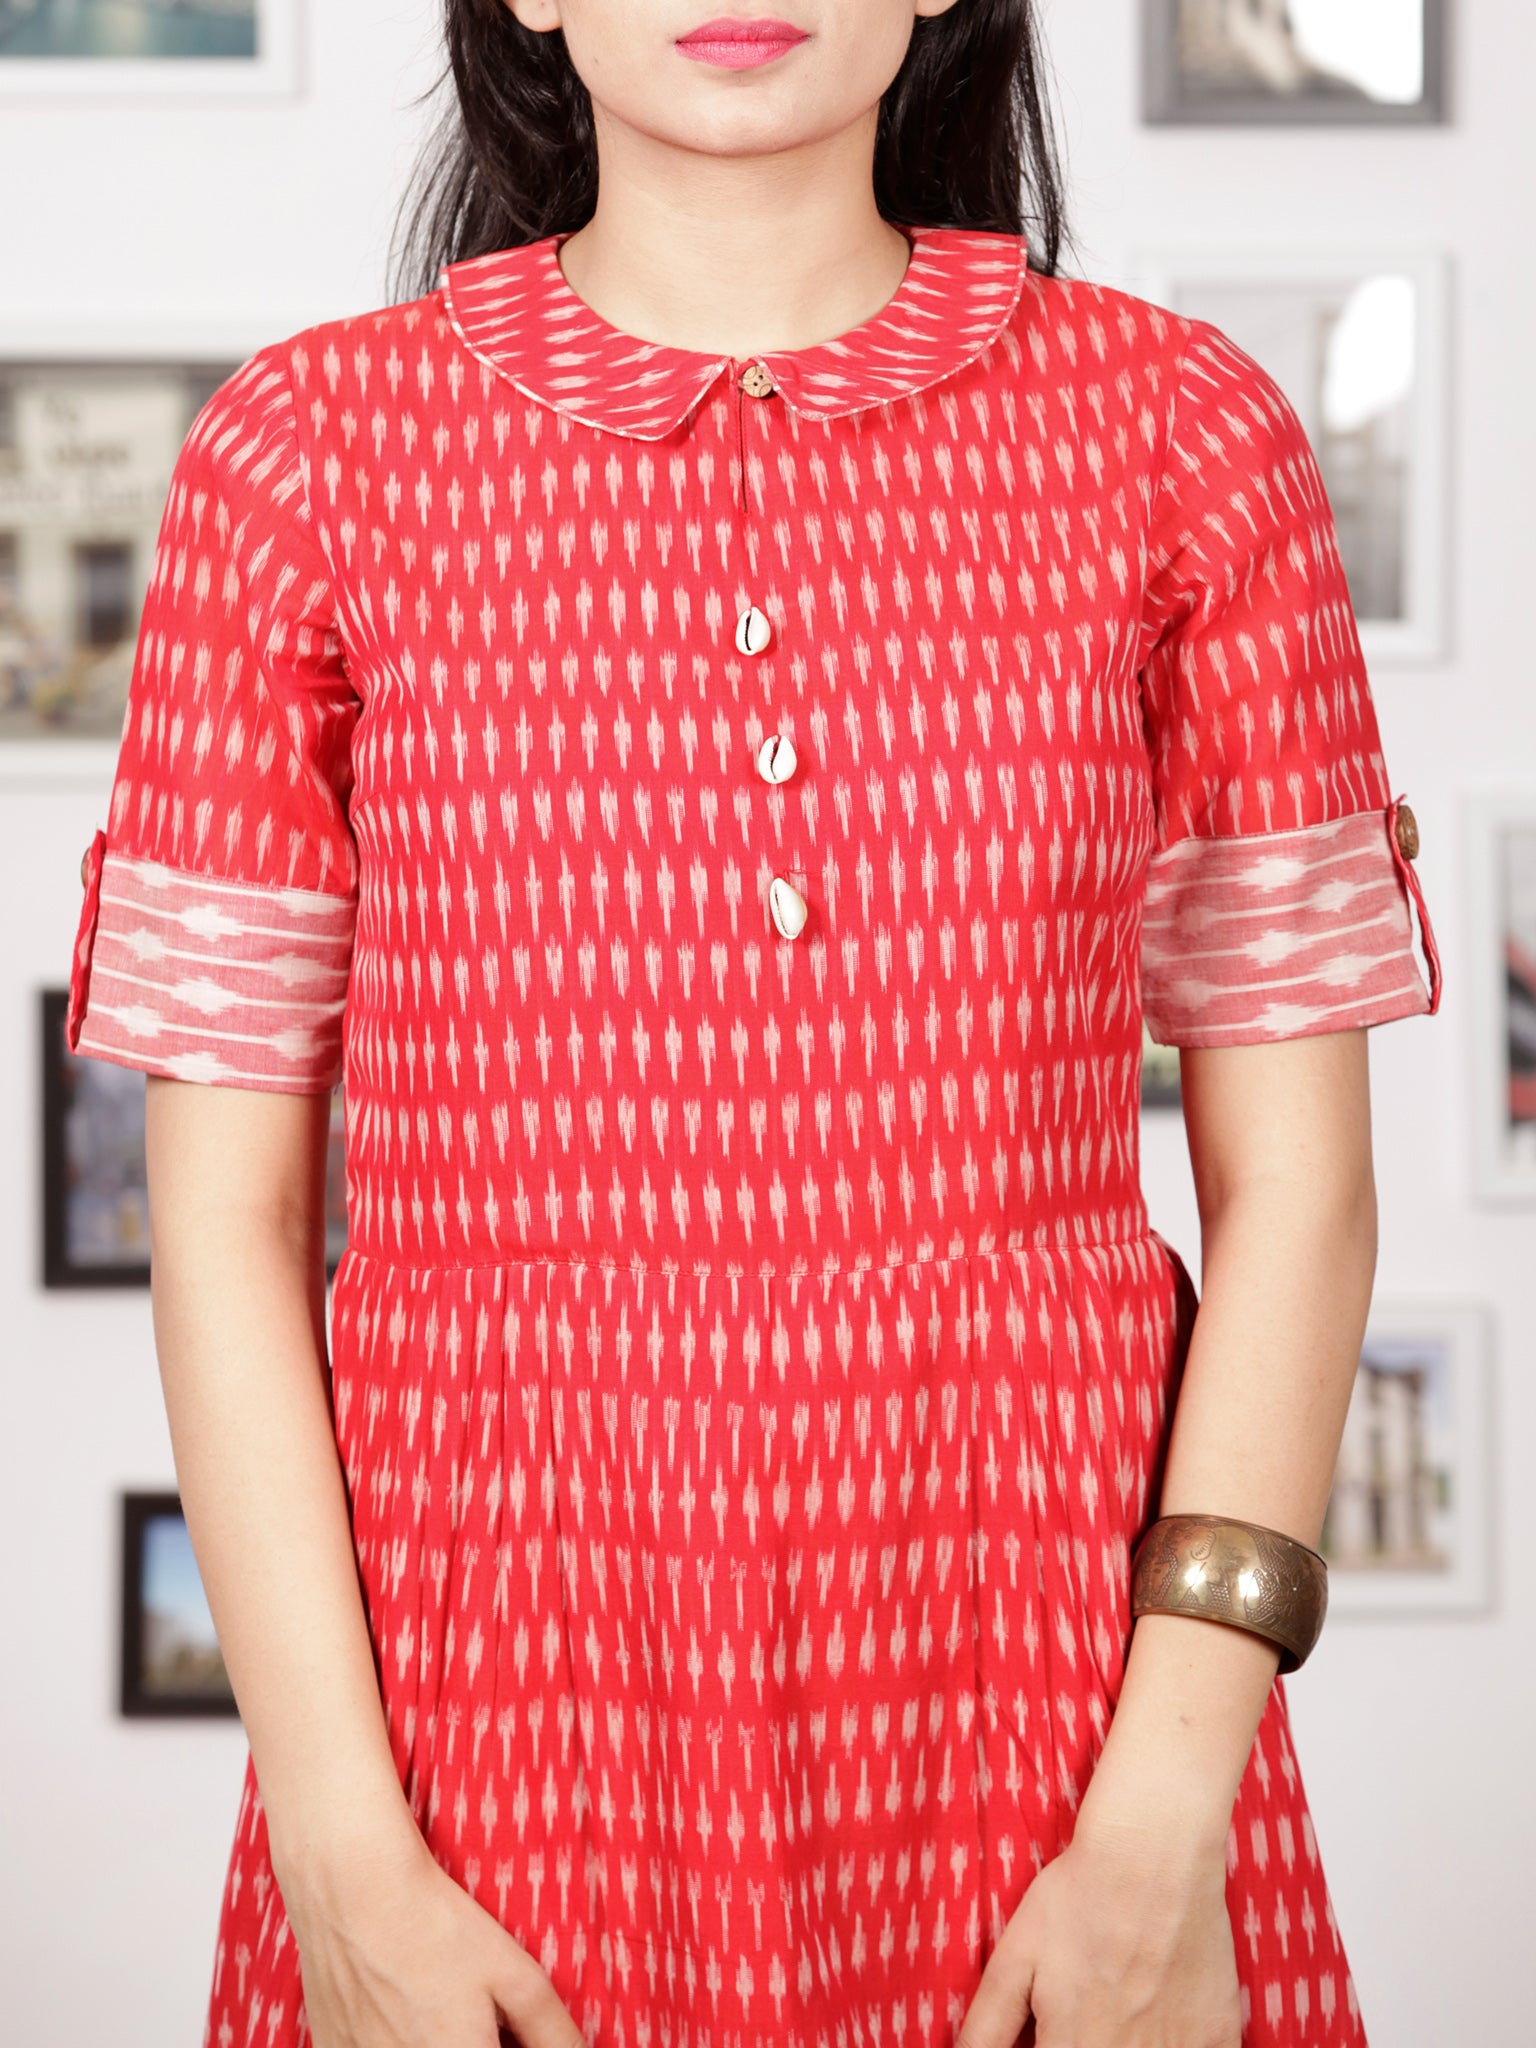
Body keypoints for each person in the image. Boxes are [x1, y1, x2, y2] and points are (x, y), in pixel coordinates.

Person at [63, 2, 1443, 2045]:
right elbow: (224, 1224)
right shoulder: (307, 455)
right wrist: (348, 1856)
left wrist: (1161, 1820)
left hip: (1058, 1703)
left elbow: (1302, 1195)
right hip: (480, 1703)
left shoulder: (1181, 432)